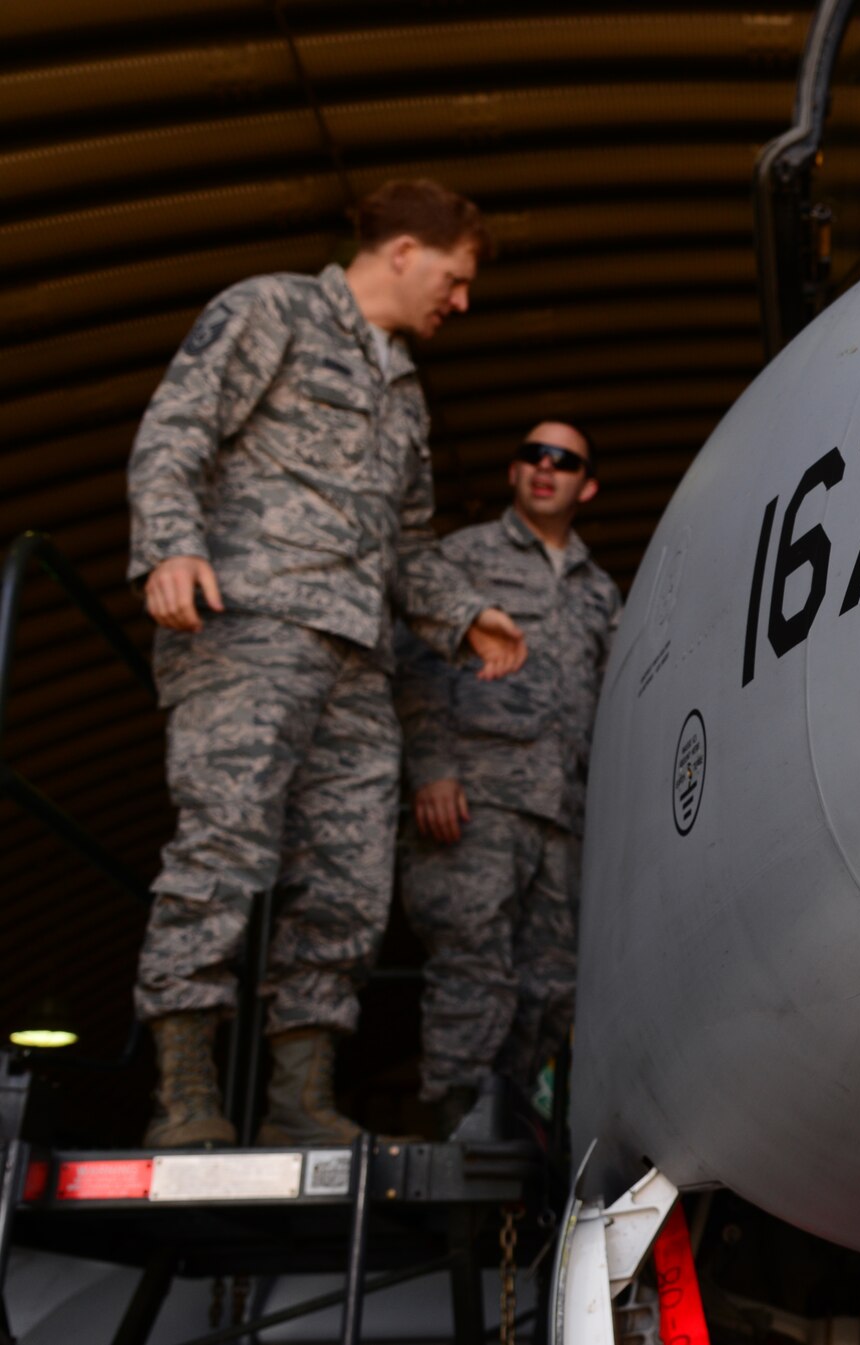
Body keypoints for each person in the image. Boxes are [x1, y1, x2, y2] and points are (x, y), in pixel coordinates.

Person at [128, 179, 528, 1148]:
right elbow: (178, 426)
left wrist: (462, 611)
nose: (460, 300)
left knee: (350, 875)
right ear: (403, 251)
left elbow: (410, 541)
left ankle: (297, 1097)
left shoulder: (404, 389)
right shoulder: (272, 308)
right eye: (455, 276)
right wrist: (171, 544)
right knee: (224, 848)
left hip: (356, 657)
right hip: (245, 622)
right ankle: (185, 1096)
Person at [394, 422, 621, 1134]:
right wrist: (432, 769)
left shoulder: (601, 592)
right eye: (532, 454)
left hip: (566, 814)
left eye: (565, 460)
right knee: (473, 967)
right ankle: (458, 1132)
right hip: (479, 801)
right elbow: (415, 663)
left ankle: (515, 1129)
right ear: (514, 472)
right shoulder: (462, 560)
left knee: (551, 988)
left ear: (587, 485)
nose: (546, 467)